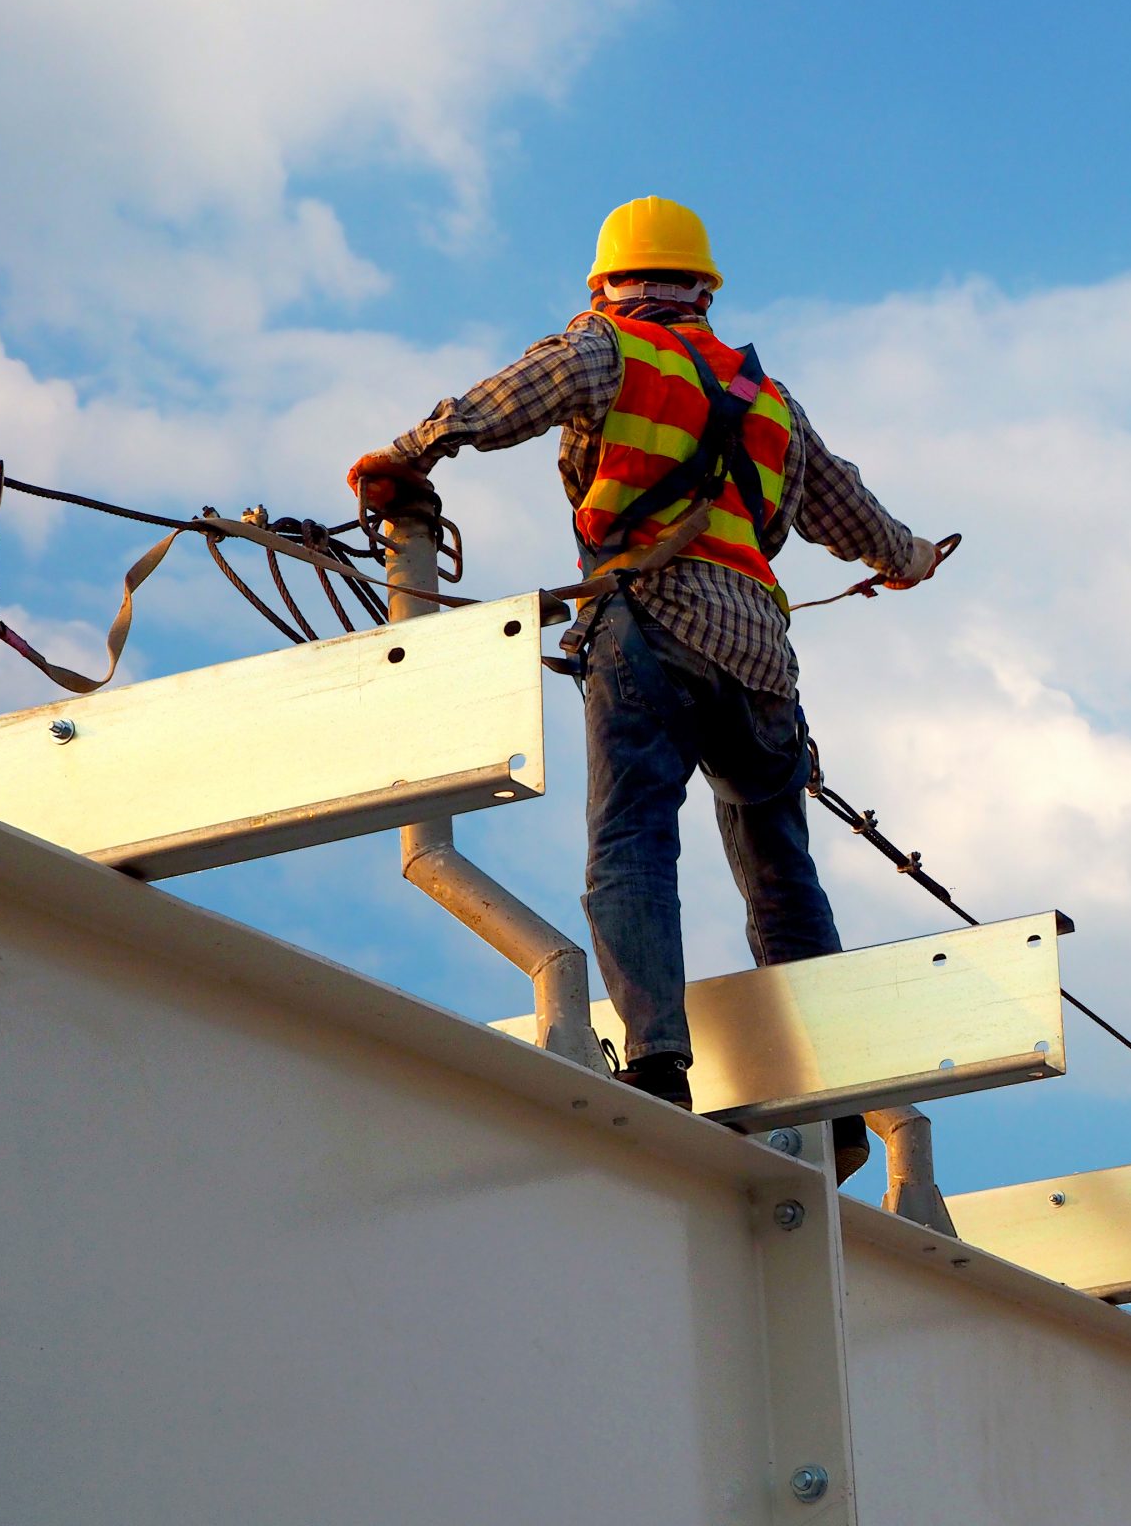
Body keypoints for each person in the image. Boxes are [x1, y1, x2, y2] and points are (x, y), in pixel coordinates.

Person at [348, 195, 941, 1172]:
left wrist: (404, 456)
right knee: (783, 878)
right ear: (704, 289)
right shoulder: (773, 402)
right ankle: (835, 1102)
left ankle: (658, 1061)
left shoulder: (606, 347)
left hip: (650, 625)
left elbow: (499, 405)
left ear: (605, 282)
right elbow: (862, 522)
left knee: (632, 844)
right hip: (761, 657)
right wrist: (912, 556)